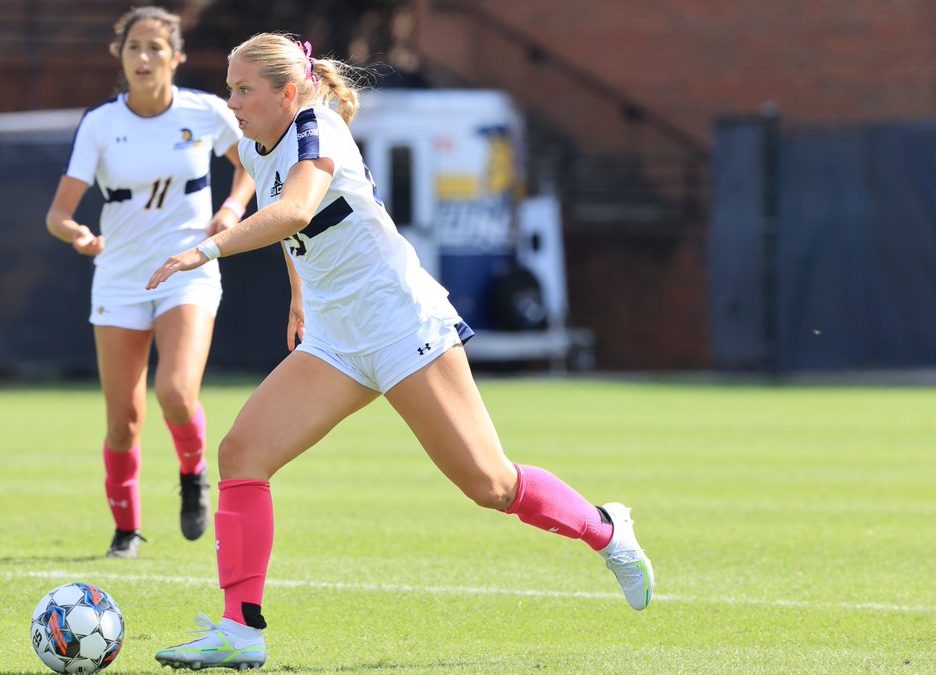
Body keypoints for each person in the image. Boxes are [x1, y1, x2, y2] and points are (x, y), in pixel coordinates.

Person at [147, 34, 656, 670]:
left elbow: (296, 210)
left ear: (286, 92)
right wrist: (299, 297)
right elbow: (296, 229)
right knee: (243, 453)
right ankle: (239, 629)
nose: (233, 100)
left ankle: (607, 529)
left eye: (244, 88)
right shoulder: (255, 144)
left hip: (400, 323)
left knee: (490, 484)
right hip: (336, 335)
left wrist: (206, 249)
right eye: (229, 86)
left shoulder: (319, 130)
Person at [45, 6, 255, 559]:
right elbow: (58, 213)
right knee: (124, 421)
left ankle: (193, 474)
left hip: (187, 270)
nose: (144, 57)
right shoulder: (101, 123)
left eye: (156, 48)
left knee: (176, 392)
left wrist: (232, 208)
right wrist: (78, 235)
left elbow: (253, 164)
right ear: (120, 55)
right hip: (118, 280)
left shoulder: (205, 112)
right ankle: (126, 530)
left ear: (176, 56)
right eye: (134, 47)